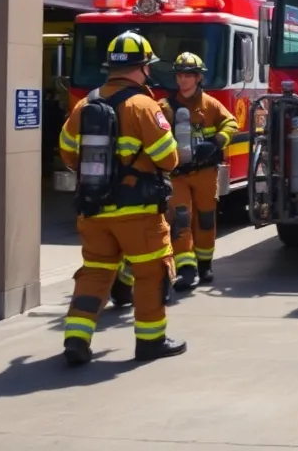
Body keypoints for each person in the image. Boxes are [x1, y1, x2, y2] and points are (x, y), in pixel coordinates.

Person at [58, 30, 186, 366]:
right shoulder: (144, 106)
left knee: (96, 273)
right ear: (142, 67)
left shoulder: (85, 105)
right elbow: (168, 159)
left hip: (94, 211)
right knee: (151, 274)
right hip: (139, 214)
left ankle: (76, 338)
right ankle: (151, 342)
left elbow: (68, 152)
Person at [162, 51, 237, 291]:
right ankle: (186, 269)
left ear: (198, 78)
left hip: (205, 172)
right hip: (178, 174)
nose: (183, 80)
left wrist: (217, 141)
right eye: (180, 75)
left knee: (205, 219)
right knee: (181, 218)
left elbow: (231, 123)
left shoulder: (210, 104)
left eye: (188, 75)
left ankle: (205, 264)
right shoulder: (164, 107)